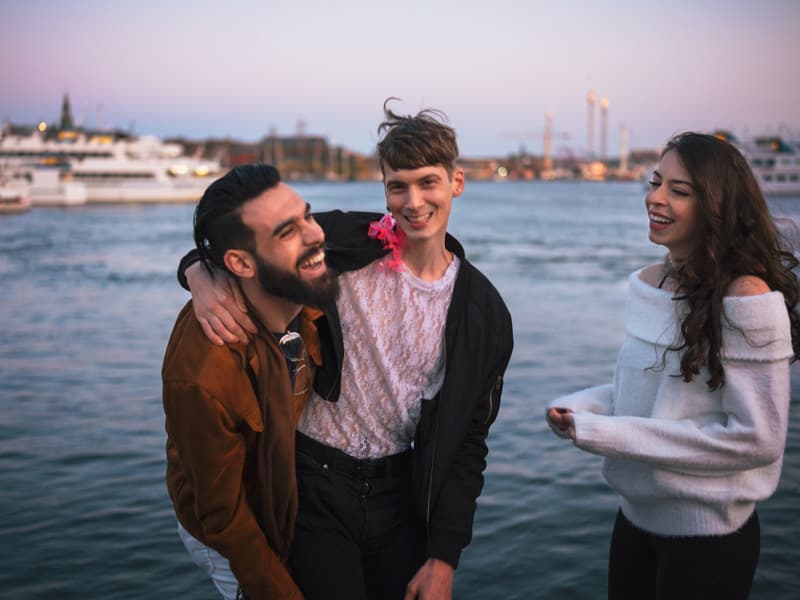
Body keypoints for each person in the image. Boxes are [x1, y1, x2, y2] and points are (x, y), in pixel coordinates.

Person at [179, 100, 514, 599]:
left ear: (456, 183)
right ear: (384, 188)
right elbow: (250, 247)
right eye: (397, 185)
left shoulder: (484, 314)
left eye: (428, 182)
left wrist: (444, 556)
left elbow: (468, 444)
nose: (413, 201)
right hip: (313, 478)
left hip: (399, 493)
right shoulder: (348, 243)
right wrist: (198, 272)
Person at [546, 132, 799, 599]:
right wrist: (579, 409)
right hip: (633, 522)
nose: (655, 198)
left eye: (679, 191)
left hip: (708, 540)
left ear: (717, 207)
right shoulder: (648, 281)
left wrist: (607, 434)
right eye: (656, 181)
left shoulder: (747, 297)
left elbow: (758, 440)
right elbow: (642, 391)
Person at [163, 163, 339, 599]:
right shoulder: (204, 373)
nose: (315, 235)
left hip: (286, 493)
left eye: (308, 215)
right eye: (287, 231)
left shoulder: (297, 275)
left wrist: (194, 267)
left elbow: (403, 228)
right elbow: (224, 518)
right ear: (239, 262)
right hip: (225, 531)